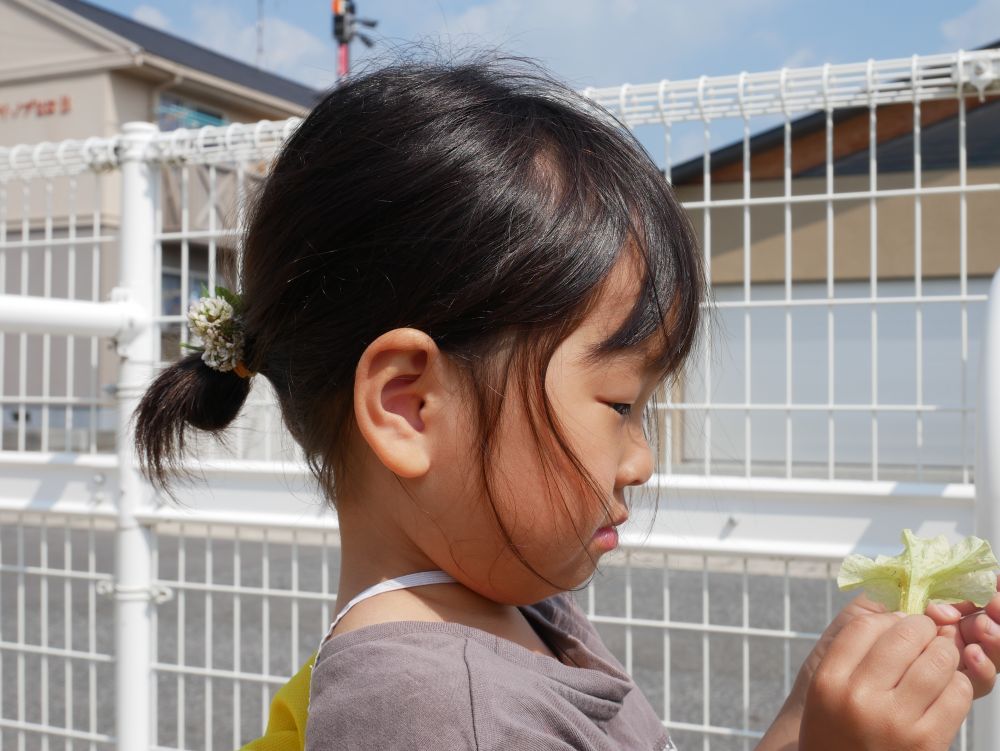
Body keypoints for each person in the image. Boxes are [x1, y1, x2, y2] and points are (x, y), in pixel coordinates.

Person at [132, 54, 1000, 750]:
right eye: (621, 402)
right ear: (409, 406)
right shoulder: (432, 717)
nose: (642, 456)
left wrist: (811, 712)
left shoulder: (514, 607)